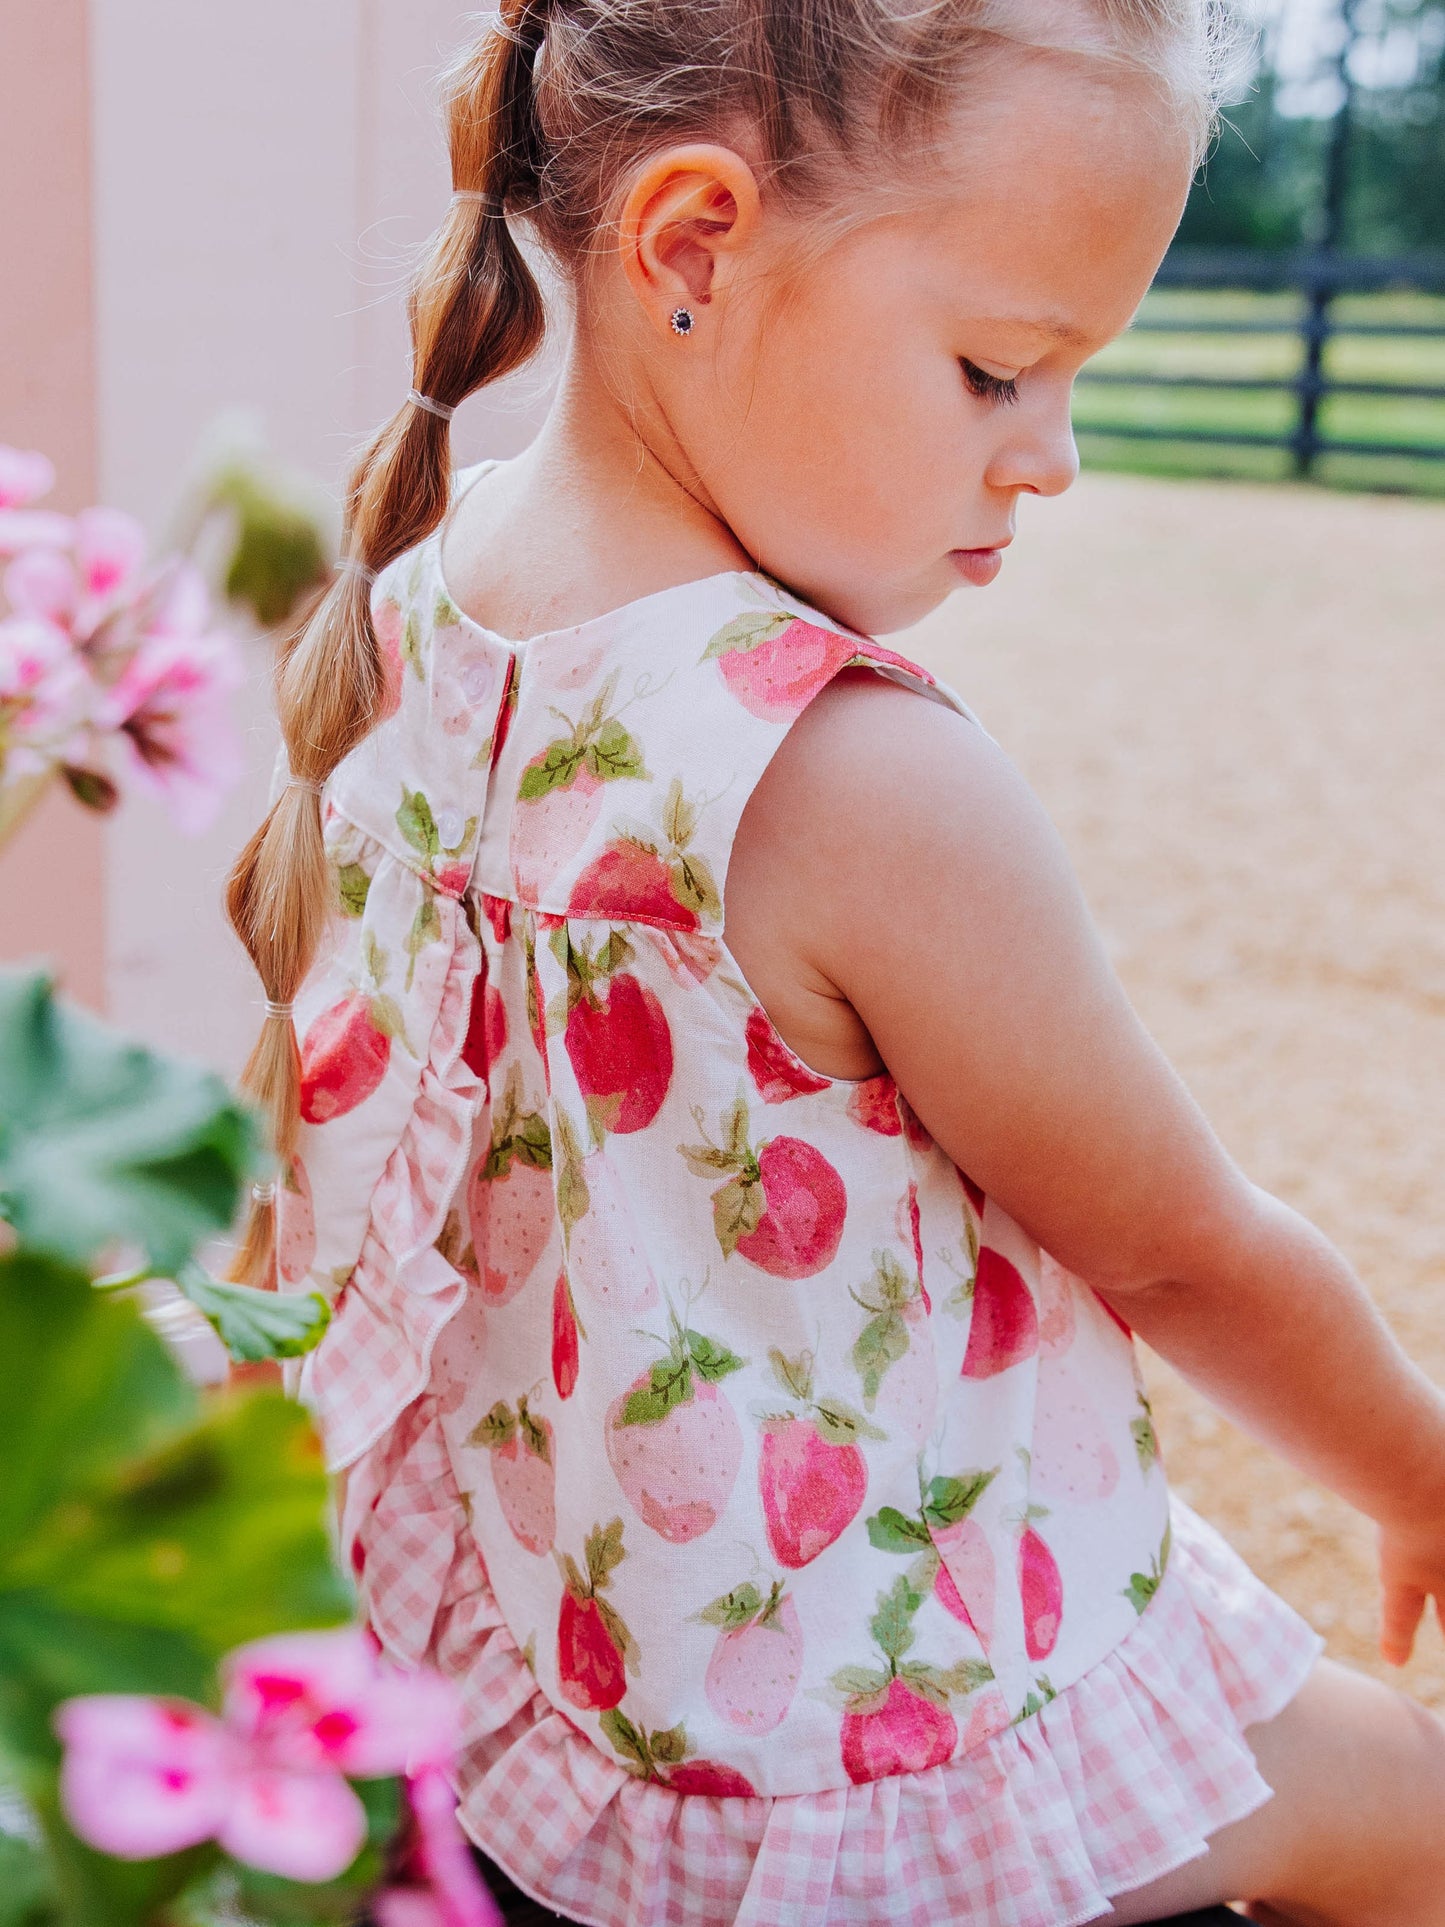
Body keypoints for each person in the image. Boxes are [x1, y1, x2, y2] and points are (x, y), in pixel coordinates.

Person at [226, 3, 1445, 1921]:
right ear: (692, 247)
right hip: (842, 1714)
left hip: (556, 1632)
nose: (1047, 461)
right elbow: (1177, 1245)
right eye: (995, 370)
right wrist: (1420, 1473)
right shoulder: (836, 770)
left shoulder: (426, 591)